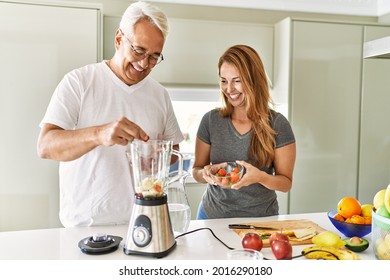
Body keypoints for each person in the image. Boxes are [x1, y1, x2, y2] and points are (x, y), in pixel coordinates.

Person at [37, 2, 183, 227]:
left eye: (155, 56)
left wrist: (153, 154)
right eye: (138, 50)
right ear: (118, 39)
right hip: (85, 227)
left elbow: (173, 152)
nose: (144, 63)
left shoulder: (159, 95)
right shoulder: (79, 82)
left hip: (144, 221)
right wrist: (99, 134)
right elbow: (46, 146)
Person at [192, 45, 296, 219]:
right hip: (211, 217)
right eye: (224, 80)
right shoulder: (211, 120)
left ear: (253, 80)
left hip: (260, 220)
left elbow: (285, 183)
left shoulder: (277, 124)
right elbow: (196, 170)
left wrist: (260, 177)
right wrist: (206, 173)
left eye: (237, 80)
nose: (229, 89)